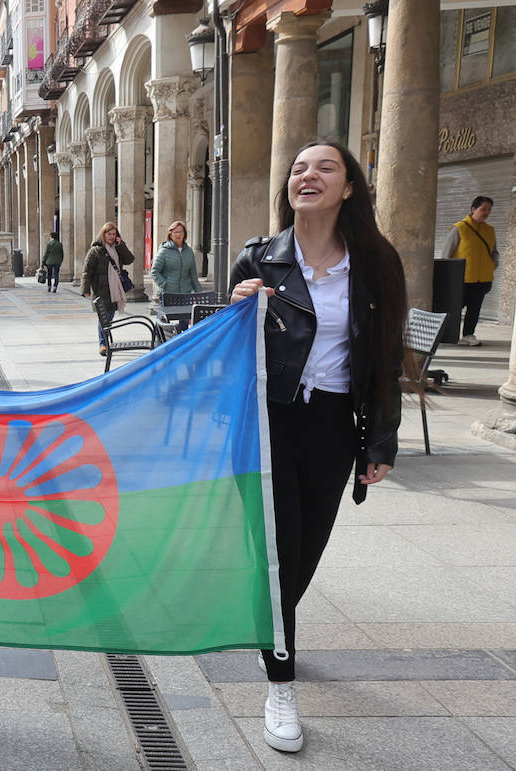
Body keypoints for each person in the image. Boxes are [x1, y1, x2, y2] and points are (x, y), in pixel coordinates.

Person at [229, 141, 405, 755]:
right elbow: (223, 351)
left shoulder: (377, 263)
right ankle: (282, 684)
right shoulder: (259, 258)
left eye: (326, 167)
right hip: (269, 424)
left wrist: (381, 437)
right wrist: (235, 310)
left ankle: (270, 629)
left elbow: (384, 357)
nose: (309, 176)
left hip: (332, 426)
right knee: (279, 557)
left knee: (301, 561)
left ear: (349, 187)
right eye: (299, 168)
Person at [441, 195, 500, 345]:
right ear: (473, 209)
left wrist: (492, 267)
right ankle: (443, 334)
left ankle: (468, 335)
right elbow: (446, 254)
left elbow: (494, 252)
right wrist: (447, 276)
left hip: (482, 278)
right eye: (483, 209)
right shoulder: (458, 228)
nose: (486, 212)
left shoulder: (489, 230)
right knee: (453, 308)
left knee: (474, 309)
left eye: (489, 210)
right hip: (462, 278)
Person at [81, 222, 136, 356]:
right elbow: (87, 271)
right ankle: (103, 344)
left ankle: (106, 339)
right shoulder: (95, 251)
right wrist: (85, 289)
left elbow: (130, 260)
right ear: (103, 235)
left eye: (114, 234)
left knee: (109, 318)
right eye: (109, 234)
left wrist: (121, 245)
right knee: (103, 318)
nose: (111, 237)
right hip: (100, 289)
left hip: (114, 289)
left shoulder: (118, 248)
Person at [152, 220, 201, 304]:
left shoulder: (189, 251)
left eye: (181, 232)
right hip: (168, 294)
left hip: (185, 294)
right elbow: (154, 271)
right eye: (175, 232)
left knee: (184, 316)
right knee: (169, 316)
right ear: (170, 234)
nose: (178, 234)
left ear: (184, 234)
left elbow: (193, 274)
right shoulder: (164, 251)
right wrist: (164, 284)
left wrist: (198, 292)